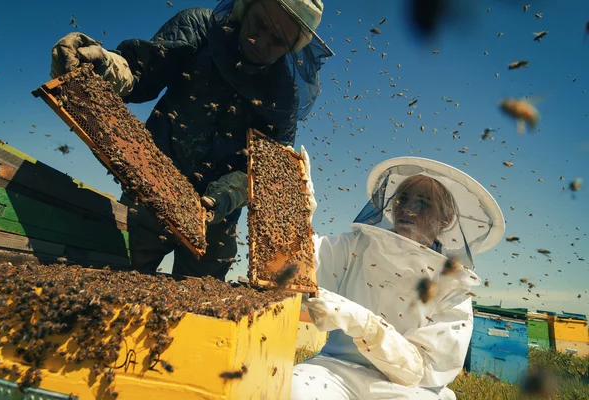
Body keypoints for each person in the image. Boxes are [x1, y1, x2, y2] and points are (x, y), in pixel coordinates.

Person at [49, 0, 333, 280]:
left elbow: (263, 170)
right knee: (120, 277)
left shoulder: (283, 94)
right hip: (152, 185)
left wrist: (219, 200)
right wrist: (102, 63)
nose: (262, 41)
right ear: (246, 6)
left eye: (279, 40)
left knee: (201, 304)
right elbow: (142, 70)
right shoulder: (200, 27)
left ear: (293, 47)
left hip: (217, 221)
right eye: (260, 22)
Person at [292, 157, 505, 399]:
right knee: (293, 389)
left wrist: (366, 326)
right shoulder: (359, 245)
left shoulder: (454, 288)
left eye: (423, 202)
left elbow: (421, 370)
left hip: (408, 389)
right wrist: (295, 219)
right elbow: (301, 264)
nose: (407, 208)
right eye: (402, 199)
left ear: (445, 219)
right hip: (335, 370)